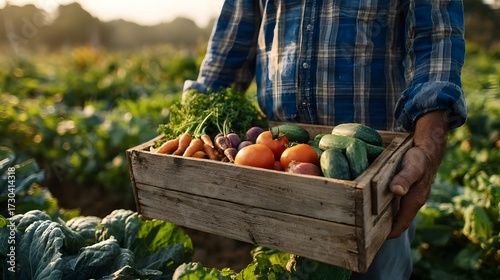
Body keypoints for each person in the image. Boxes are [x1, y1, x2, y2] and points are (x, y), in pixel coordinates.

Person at [183, 0, 467, 279]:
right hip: (275, 176)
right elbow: (229, 46)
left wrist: (427, 150)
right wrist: (196, 119)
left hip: (377, 173)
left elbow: (437, 39)